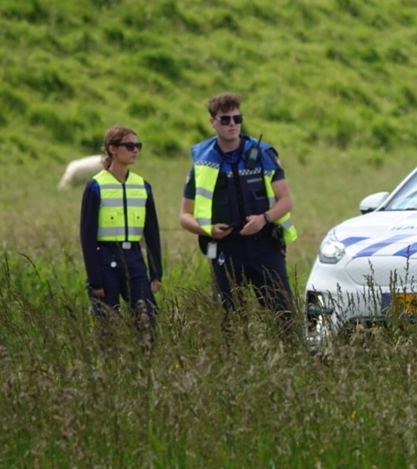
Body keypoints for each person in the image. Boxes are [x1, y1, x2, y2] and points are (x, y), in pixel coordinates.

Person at [178, 92, 297, 323]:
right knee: (229, 320)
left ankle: (292, 355)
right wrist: (208, 230)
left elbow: (286, 201)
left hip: (265, 246)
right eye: (225, 119)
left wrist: (264, 218)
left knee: (284, 316)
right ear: (212, 122)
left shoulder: (263, 154)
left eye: (236, 118)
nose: (232, 124)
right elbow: (185, 216)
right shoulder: (202, 162)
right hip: (226, 249)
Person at [79, 126, 163, 331]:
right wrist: (95, 279)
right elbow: (87, 235)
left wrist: (156, 272)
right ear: (113, 149)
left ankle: (146, 361)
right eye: (130, 145)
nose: (135, 150)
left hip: (134, 259)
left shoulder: (143, 186)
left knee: (147, 319)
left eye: (138, 145)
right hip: (104, 260)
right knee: (108, 325)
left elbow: (152, 232)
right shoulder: (96, 186)